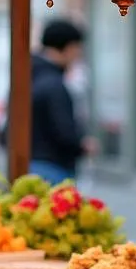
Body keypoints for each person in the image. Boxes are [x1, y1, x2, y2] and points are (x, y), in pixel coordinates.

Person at [28, 18, 89, 183]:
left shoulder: (28, 74)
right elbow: (65, 132)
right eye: (77, 49)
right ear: (68, 48)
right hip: (53, 167)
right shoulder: (54, 85)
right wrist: (82, 146)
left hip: (30, 164)